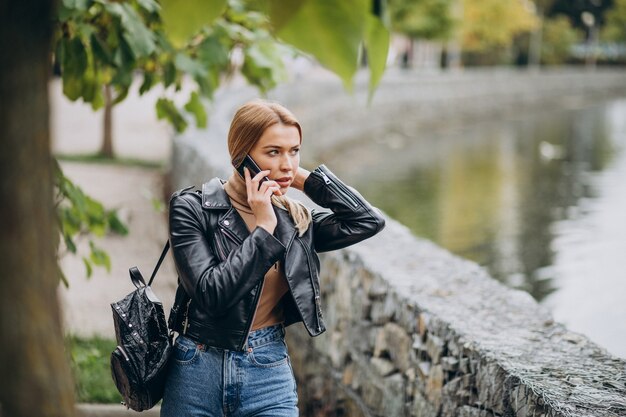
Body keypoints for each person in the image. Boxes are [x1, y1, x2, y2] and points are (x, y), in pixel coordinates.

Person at [162, 99, 386, 416]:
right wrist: (264, 228)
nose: (287, 162)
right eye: (273, 152)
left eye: (294, 151)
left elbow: (367, 220)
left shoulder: (297, 221)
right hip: (197, 367)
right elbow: (212, 294)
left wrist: (301, 178)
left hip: (267, 369)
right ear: (242, 155)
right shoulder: (192, 208)